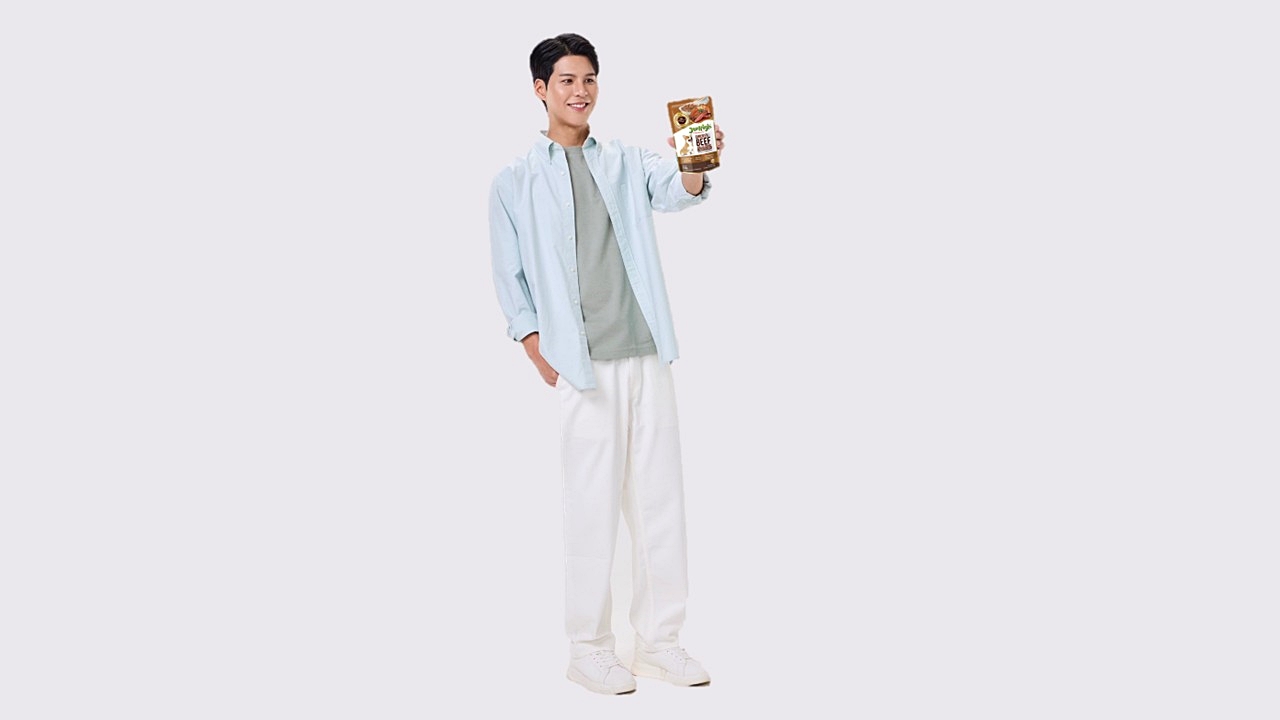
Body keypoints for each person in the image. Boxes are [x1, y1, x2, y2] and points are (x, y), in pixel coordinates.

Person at [488, 33, 724, 695]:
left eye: (588, 79)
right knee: (590, 507)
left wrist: (695, 164)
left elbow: (677, 191)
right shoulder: (514, 180)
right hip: (581, 364)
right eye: (566, 80)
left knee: (660, 503)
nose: (580, 91)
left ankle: (660, 643)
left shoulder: (624, 160)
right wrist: (534, 345)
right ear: (541, 89)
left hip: (646, 351)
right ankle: (589, 648)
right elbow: (509, 274)